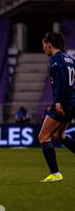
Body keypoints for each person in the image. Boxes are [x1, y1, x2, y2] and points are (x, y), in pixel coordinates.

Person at [37, 32, 75, 182]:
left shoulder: (55, 60)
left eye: (44, 46)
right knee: (59, 136)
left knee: (43, 137)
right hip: (71, 101)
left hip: (64, 103)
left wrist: (58, 101)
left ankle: (55, 174)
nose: (44, 49)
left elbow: (61, 82)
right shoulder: (70, 59)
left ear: (48, 44)